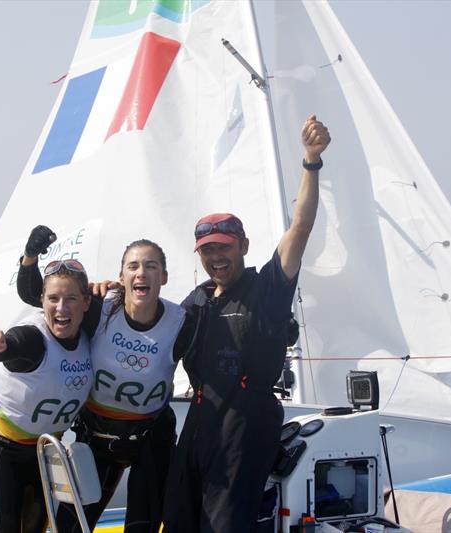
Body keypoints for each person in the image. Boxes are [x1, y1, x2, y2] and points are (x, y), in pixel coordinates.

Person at [163, 113, 330, 533]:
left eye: (224, 247)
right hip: (198, 426)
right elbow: (152, 330)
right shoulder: (197, 300)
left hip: (246, 427)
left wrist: (310, 162)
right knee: (180, 521)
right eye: (207, 250)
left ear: (244, 247)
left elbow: (301, 226)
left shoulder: (266, 290)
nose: (216, 256)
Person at [17, 230, 196, 533]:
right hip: (98, 440)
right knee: (70, 527)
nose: (142, 273)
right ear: (121, 277)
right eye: (133, 266)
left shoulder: (181, 323)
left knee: (142, 528)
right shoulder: (100, 307)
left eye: (151, 266)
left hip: (151, 440)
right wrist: (30, 257)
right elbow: (37, 294)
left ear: (163, 277)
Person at [0, 258, 93, 533]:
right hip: (2, 454)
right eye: (53, 299)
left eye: (70, 299)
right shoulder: (33, 339)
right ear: (42, 301)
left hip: (45, 456)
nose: (61, 308)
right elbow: (12, 347)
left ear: (86, 302)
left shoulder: (89, 332)